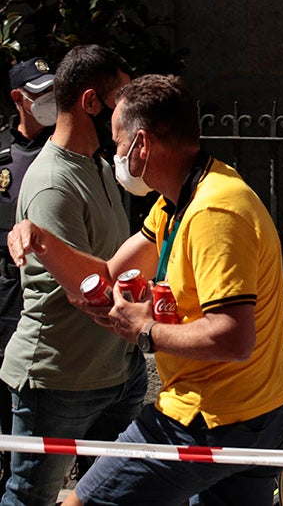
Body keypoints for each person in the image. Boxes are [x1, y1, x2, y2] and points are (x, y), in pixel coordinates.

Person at [7, 74, 283, 505]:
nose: (114, 154)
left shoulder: (214, 210)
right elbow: (106, 276)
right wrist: (42, 242)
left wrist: (146, 332)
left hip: (210, 417)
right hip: (252, 411)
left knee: (77, 501)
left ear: (141, 144)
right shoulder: (177, 200)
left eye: (117, 142)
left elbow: (234, 338)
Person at [0, 45, 143, 506]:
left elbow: (119, 262)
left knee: (108, 495)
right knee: (30, 496)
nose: (129, 108)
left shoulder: (100, 167)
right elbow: (89, 293)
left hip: (116, 371)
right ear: (90, 103)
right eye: (121, 96)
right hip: (59, 381)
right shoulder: (51, 182)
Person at [0, 57, 57, 482]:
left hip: (48, 286)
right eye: (41, 93)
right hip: (4, 288)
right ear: (19, 98)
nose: (51, 100)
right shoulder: (2, 151)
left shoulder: (66, 148)